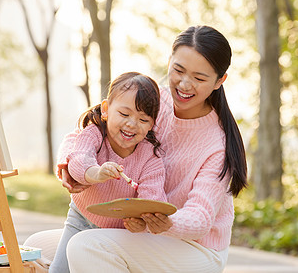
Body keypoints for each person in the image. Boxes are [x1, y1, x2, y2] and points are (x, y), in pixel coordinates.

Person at [57, 25, 248, 273]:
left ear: (219, 81)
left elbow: (200, 218)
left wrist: (161, 221)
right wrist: (68, 165)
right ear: (169, 61)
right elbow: (92, 129)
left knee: (85, 246)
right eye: (178, 70)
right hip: (146, 236)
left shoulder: (217, 143)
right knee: (39, 245)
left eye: (199, 78)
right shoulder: (155, 99)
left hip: (194, 249)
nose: (185, 84)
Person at [49, 72, 167, 273]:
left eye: (143, 119)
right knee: (59, 270)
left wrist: (142, 223)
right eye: (124, 114)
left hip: (118, 231)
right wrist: (96, 173)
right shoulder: (94, 134)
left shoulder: (150, 158)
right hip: (81, 218)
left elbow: (152, 197)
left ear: (152, 124)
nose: (132, 124)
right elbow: (78, 160)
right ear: (106, 110)